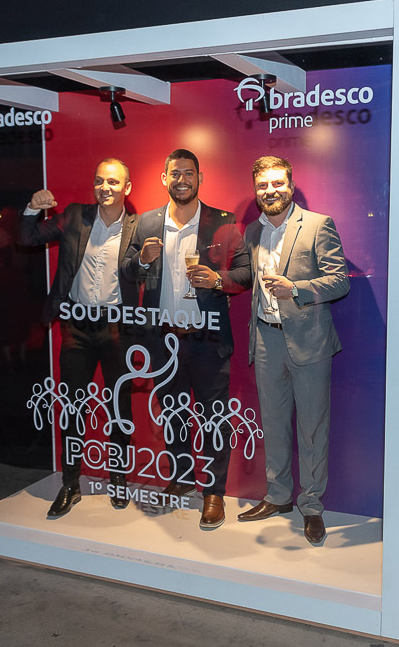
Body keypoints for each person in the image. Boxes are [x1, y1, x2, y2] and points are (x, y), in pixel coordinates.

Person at [120, 148, 247, 530]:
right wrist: (142, 260)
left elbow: (245, 272)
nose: (182, 180)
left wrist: (218, 280)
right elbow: (125, 269)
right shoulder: (146, 222)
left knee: (213, 418)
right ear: (164, 178)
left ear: (199, 178)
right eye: (175, 173)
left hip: (207, 339)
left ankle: (214, 492)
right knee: (174, 412)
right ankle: (182, 477)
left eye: (188, 173)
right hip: (163, 340)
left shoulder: (222, 222)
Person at [235, 155, 349, 545]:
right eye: (263, 185)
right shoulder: (253, 231)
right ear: (256, 190)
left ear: (291, 184)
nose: (270, 191)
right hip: (266, 338)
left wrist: (296, 289)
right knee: (274, 423)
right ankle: (279, 496)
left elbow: (340, 280)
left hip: (310, 341)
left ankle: (311, 506)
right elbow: (248, 279)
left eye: (277, 183)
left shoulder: (318, 224)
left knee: (313, 428)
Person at [19, 158, 140, 518]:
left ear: (127, 187)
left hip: (118, 327)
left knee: (120, 408)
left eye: (113, 182)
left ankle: (118, 479)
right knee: (73, 407)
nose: (105, 187)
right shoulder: (74, 215)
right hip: (76, 326)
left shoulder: (140, 226)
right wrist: (31, 208)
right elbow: (27, 237)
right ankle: (70, 483)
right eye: (100, 180)